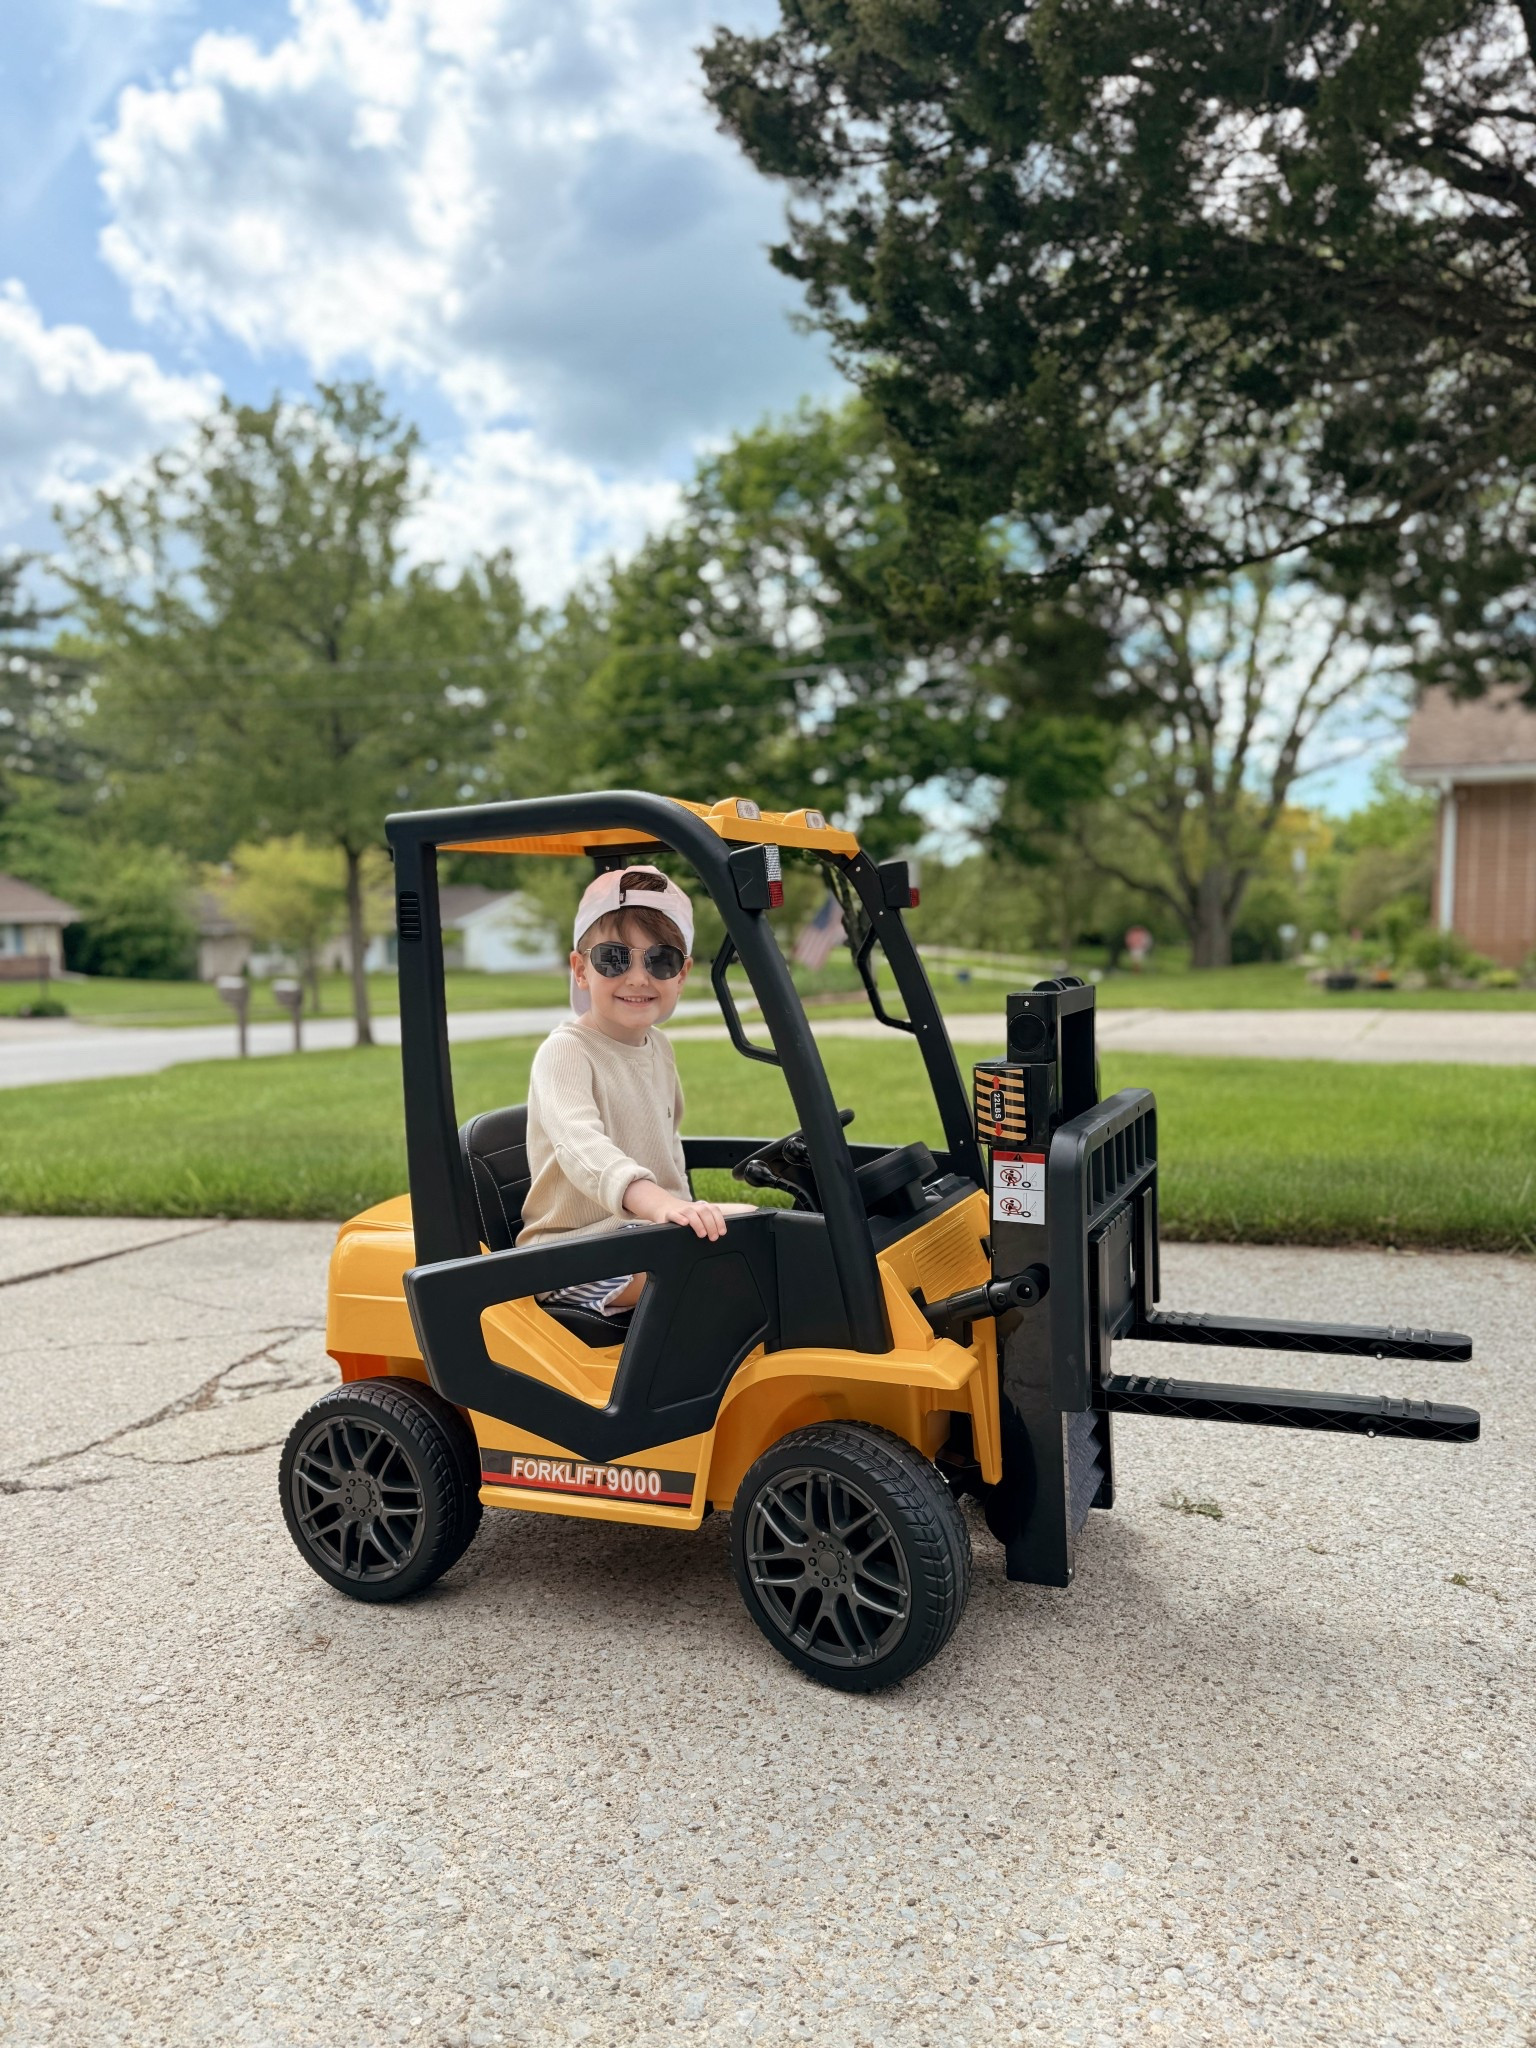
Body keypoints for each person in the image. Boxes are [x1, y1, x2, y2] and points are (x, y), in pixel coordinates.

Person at [517, 864, 746, 1320]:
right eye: (614, 959)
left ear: (681, 975)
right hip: (575, 1255)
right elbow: (582, 1148)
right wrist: (659, 1204)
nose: (638, 978)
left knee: (761, 1227)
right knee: (701, 1271)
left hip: (644, 1236)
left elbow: (669, 1146)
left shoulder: (658, 1048)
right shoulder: (565, 1052)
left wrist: (681, 1208)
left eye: (659, 960)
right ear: (581, 970)